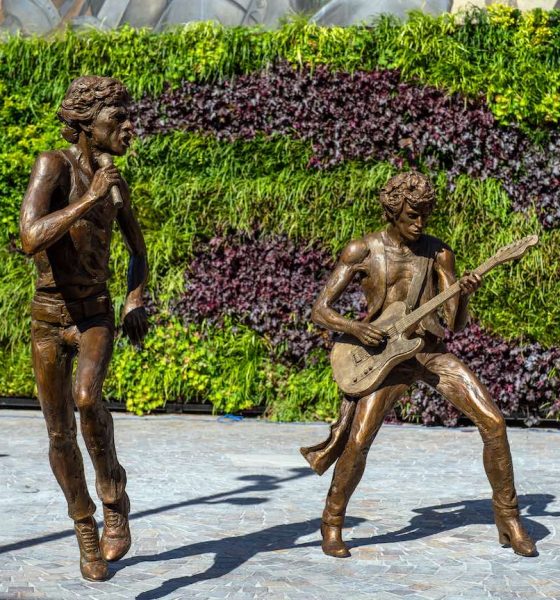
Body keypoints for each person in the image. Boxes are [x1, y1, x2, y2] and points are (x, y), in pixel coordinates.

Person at [300, 171, 536, 559]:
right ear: (393, 211)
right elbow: (320, 311)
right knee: (358, 442)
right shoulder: (363, 250)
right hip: (384, 358)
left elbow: (453, 323)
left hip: (428, 352)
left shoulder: (439, 253)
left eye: (425, 215)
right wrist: (357, 329)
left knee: (494, 422)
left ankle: (508, 519)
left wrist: (464, 294)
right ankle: (332, 521)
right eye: (412, 215)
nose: (420, 223)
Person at [19, 76, 149, 580]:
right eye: (117, 118)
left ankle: (113, 492)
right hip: (50, 317)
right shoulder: (53, 165)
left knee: (89, 399)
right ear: (83, 125)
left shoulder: (115, 181)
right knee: (58, 433)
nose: (128, 127)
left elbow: (138, 251)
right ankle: (84, 526)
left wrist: (136, 297)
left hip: (95, 312)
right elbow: (30, 237)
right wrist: (89, 199)